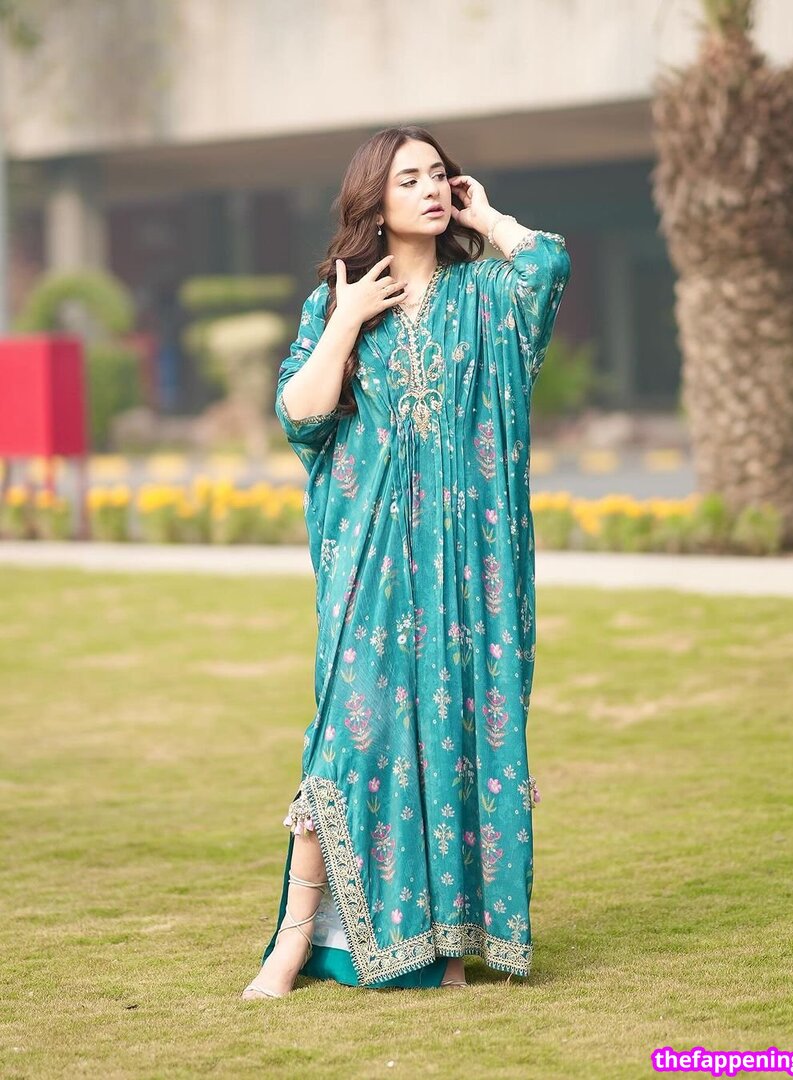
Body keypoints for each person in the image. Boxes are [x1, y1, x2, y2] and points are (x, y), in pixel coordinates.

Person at [241, 125, 570, 999]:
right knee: (348, 736)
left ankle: (446, 942)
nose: (428, 190)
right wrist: (348, 318)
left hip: (468, 561)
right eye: (408, 179)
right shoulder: (337, 300)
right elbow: (301, 415)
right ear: (374, 202)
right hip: (372, 556)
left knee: (459, 729)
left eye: (438, 175)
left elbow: (547, 266)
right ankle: (293, 941)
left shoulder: (485, 294)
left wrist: (488, 218)